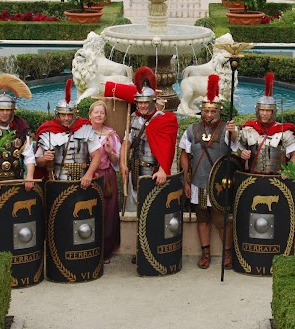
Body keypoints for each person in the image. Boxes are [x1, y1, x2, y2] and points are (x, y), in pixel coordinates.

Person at [119, 67, 179, 264]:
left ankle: (155, 249)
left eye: (146, 102)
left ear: (153, 102)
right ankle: (141, 249)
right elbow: (126, 142)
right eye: (140, 102)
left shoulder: (164, 120)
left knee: (154, 211)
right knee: (140, 212)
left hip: (153, 172)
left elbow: (168, 148)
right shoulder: (133, 119)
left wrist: (163, 169)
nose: (143, 106)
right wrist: (122, 163)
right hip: (135, 172)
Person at [178, 74, 238, 269]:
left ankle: (227, 253)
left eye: (213, 111)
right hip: (198, 184)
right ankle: (205, 253)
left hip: (219, 185)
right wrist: (186, 181)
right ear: (202, 111)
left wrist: (233, 132)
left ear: (218, 111)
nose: (209, 115)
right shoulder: (191, 130)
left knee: (221, 221)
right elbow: (184, 155)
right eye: (206, 111)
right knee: (202, 219)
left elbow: (234, 144)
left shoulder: (226, 129)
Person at [34, 79, 101, 189]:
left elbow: (97, 156)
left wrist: (89, 175)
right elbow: (38, 162)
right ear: (58, 114)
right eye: (63, 115)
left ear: (75, 114)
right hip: (57, 183)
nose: (66, 118)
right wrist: (45, 159)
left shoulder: (85, 128)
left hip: (83, 182)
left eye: (69, 115)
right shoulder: (48, 131)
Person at [0, 73, 36, 194]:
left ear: (13, 111)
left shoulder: (21, 128)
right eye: (1, 110)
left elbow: (29, 156)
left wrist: (29, 176)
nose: (5, 113)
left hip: (16, 181)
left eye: (8, 110)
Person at [238, 72, 295, 178]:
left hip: (276, 179)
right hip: (252, 178)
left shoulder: (284, 131)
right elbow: (238, 149)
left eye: (268, 111)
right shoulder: (248, 129)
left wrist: (288, 170)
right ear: (257, 111)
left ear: (273, 112)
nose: (264, 113)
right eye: (262, 110)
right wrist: (242, 153)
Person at [89, 100, 122, 264]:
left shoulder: (111, 135)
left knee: (108, 213)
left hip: (107, 177)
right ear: (90, 115)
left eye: (102, 112)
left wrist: (109, 152)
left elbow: (117, 161)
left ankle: (105, 251)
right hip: (89, 176)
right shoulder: (84, 133)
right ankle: (88, 248)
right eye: (96, 112)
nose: (99, 115)